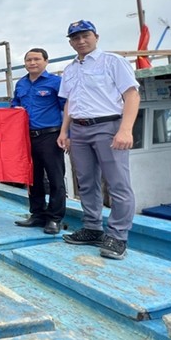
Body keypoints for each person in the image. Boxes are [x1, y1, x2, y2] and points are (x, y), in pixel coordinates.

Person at [57, 20, 140, 260]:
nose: (81, 41)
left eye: (85, 36)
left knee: (117, 184)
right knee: (86, 182)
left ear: (96, 36)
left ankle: (118, 236)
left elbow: (132, 95)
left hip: (108, 126)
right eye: (75, 38)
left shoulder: (114, 62)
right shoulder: (70, 69)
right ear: (70, 42)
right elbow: (70, 103)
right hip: (80, 130)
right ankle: (93, 228)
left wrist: (126, 130)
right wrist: (65, 132)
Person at [11, 48, 67, 234]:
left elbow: (66, 109)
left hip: (50, 135)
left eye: (36, 59)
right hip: (27, 137)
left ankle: (54, 218)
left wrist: (66, 134)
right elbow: (14, 105)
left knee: (55, 178)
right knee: (32, 178)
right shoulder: (21, 84)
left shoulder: (56, 83)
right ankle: (37, 214)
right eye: (28, 60)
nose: (32, 63)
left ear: (46, 61)